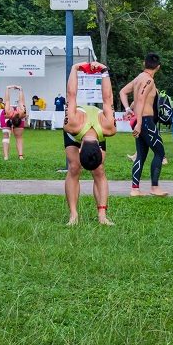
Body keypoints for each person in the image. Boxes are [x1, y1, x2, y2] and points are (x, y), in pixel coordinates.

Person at [64, 61, 116, 225]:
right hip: (75, 133)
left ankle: (102, 215)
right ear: (79, 152)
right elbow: (71, 95)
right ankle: (73, 214)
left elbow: (107, 99)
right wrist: (77, 69)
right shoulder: (71, 124)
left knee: (99, 171)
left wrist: (105, 71)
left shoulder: (109, 128)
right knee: (74, 169)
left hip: (96, 131)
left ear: (101, 151)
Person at [130, 53, 168, 197]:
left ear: (143, 63)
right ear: (158, 67)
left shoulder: (139, 78)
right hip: (145, 121)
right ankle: (154, 187)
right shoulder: (149, 80)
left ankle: (135, 189)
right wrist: (139, 123)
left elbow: (134, 98)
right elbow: (140, 100)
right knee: (160, 152)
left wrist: (129, 109)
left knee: (141, 155)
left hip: (141, 120)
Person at [0, 85, 27, 160]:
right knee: (6, 135)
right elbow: (21, 101)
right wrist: (20, 90)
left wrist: (7, 88)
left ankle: (20, 155)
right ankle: (6, 156)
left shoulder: (21, 113)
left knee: (18, 136)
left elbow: (7, 100)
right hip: (5, 117)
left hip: (10, 115)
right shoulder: (11, 112)